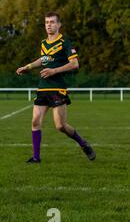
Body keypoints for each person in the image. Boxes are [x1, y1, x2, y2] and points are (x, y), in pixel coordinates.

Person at [16, 12, 95, 163]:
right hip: (43, 87)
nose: (49, 25)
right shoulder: (44, 43)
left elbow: (75, 63)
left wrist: (54, 71)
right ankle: (36, 157)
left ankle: (83, 143)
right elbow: (44, 59)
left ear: (59, 25)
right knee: (35, 121)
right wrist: (28, 66)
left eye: (52, 22)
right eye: (46, 22)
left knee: (60, 126)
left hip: (57, 88)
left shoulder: (65, 42)